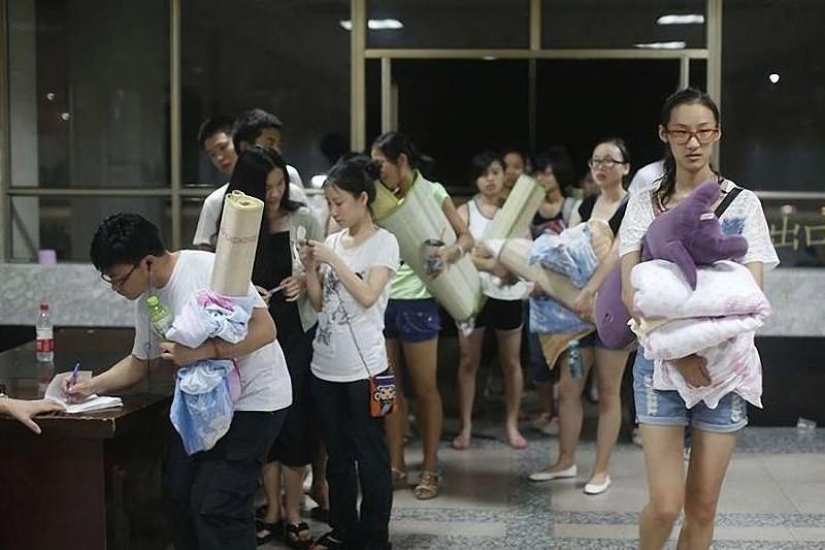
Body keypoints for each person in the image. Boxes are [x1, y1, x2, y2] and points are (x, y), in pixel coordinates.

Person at [67, 213, 293, 550]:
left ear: (146, 262)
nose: (116, 289)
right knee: (177, 494)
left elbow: (265, 329)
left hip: (255, 401)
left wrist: (204, 351)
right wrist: (91, 386)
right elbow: (138, 364)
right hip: (204, 406)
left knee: (215, 505)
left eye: (118, 280)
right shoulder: (147, 299)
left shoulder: (209, 269)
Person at [619, 88, 778, 549]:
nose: (694, 142)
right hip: (662, 366)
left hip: (725, 369)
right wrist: (682, 352)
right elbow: (634, 295)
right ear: (664, 135)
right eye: (683, 132)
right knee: (667, 504)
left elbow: (752, 296)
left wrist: (706, 348)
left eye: (704, 131)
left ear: (717, 134)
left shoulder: (743, 204)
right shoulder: (645, 203)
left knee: (703, 506)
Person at [225, 146, 323, 548]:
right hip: (256, 333)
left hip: (296, 330)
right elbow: (224, 284)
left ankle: (296, 509)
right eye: (267, 187)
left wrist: (305, 283)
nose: (277, 193)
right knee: (263, 415)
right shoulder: (239, 223)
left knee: (297, 418)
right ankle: (271, 507)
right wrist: (249, 295)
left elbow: (322, 282)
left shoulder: (305, 218)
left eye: (281, 183)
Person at [301, 156, 399, 550]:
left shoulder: (384, 242)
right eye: (329, 203)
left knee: (372, 457)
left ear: (363, 199)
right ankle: (344, 530)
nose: (334, 211)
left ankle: (375, 539)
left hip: (370, 369)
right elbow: (320, 303)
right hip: (326, 367)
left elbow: (367, 295)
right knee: (338, 458)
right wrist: (310, 269)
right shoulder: (332, 243)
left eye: (339, 202)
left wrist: (333, 260)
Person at [370, 131, 474, 500]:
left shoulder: (431, 192)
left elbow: (466, 237)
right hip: (381, 301)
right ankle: (395, 462)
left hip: (418, 301)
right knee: (387, 388)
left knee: (425, 388)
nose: (375, 170)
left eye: (380, 163)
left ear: (401, 161)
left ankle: (430, 467)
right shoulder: (378, 198)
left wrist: (447, 255)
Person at [529, 138, 632, 496]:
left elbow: (621, 256)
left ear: (625, 167)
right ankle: (565, 460)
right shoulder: (584, 205)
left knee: (607, 392)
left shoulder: (633, 206)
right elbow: (564, 250)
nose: (601, 166)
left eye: (610, 160)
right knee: (568, 388)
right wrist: (545, 282)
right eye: (596, 161)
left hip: (613, 310)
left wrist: (593, 289)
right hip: (577, 311)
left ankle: (601, 469)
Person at [452, 151, 529, 451]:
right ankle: (466, 426)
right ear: (476, 179)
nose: (491, 179)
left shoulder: (514, 211)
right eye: (484, 174)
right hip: (473, 294)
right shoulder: (465, 212)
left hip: (508, 293)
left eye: (495, 172)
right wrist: (490, 264)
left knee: (511, 362)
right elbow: (458, 254)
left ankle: (512, 424)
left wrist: (500, 263)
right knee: (468, 361)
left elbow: (525, 250)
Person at [193, 112, 308, 251]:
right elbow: (205, 250)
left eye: (223, 147)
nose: (219, 157)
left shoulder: (290, 179)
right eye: (212, 154)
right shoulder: (216, 201)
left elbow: (308, 227)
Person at [527, 147, 581, 436]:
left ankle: (564, 413)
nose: (542, 178)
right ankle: (548, 409)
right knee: (538, 358)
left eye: (547, 172)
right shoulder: (529, 207)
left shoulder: (573, 206)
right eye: (538, 172)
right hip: (536, 291)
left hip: (564, 292)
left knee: (565, 354)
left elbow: (574, 248)